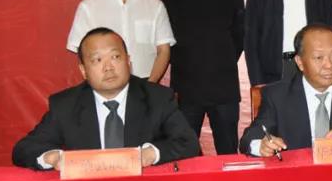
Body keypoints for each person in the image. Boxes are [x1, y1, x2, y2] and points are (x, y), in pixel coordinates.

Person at [13, 28, 199, 170]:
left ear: (128, 61)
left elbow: (188, 143)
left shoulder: (157, 98)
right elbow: (24, 149)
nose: (108, 67)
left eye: (115, 57)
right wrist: (53, 157)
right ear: (83, 70)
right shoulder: (66, 105)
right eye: (97, 60)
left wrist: (151, 154)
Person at [239, 24, 332, 157]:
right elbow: (249, 138)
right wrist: (262, 146)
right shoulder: (277, 95)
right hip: (296, 175)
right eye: (319, 58)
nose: (329, 65)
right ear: (300, 62)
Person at [157, 0, 245, 154]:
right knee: (185, 151)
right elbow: (164, 39)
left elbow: (239, 37)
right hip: (186, 88)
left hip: (224, 87)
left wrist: (219, 59)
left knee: (228, 152)